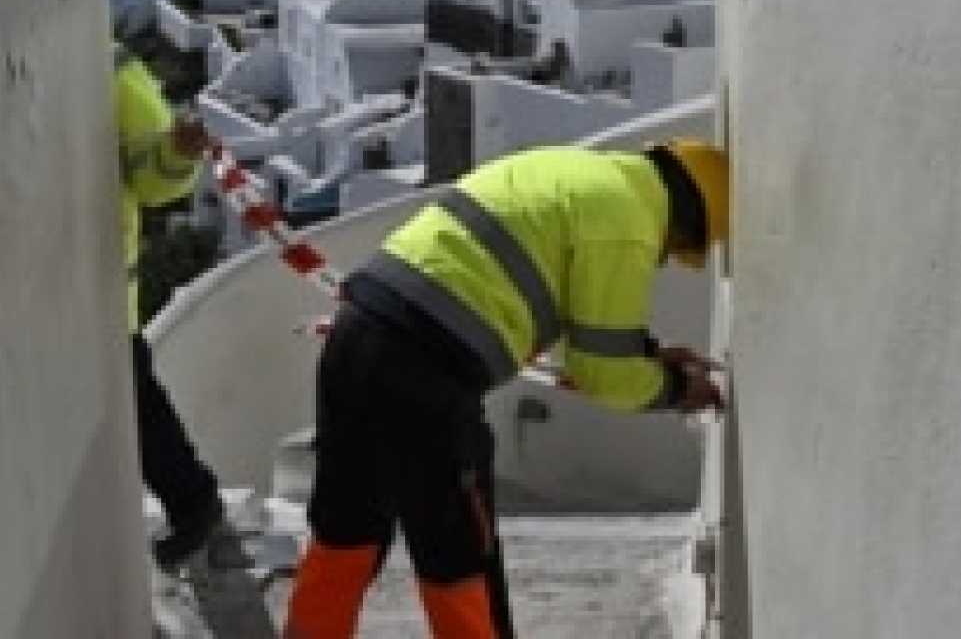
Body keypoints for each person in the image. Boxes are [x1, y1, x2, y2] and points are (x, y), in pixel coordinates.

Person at [284, 140, 730, 638]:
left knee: (346, 531)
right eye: (675, 247)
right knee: (458, 560)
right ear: (685, 218)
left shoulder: (572, 171)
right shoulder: (629, 222)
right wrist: (674, 390)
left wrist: (646, 354)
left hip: (356, 334)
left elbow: (568, 322)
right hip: (428, 372)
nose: (666, 256)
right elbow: (603, 374)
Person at [113, 35, 227, 571]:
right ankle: (194, 504)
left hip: (98, 295)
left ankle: (194, 504)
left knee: (134, 405)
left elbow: (154, 182)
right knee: (135, 404)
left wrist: (177, 153)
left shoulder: (109, 66)